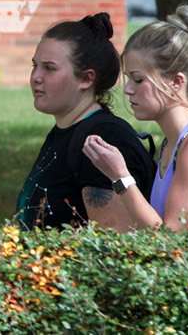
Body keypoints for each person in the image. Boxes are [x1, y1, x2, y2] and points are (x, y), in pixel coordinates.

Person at [83, 1, 188, 231]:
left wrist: (120, 176)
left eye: (138, 79)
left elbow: (173, 240)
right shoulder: (171, 143)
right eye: (128, 79)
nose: (128, 89)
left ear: (177, 82)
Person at [16, 13, 156, 231]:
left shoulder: (102, 139)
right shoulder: (64, 130)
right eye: (35, 65)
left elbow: (112, 246)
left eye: (50, 68)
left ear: (86, 79)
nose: (36, 76)